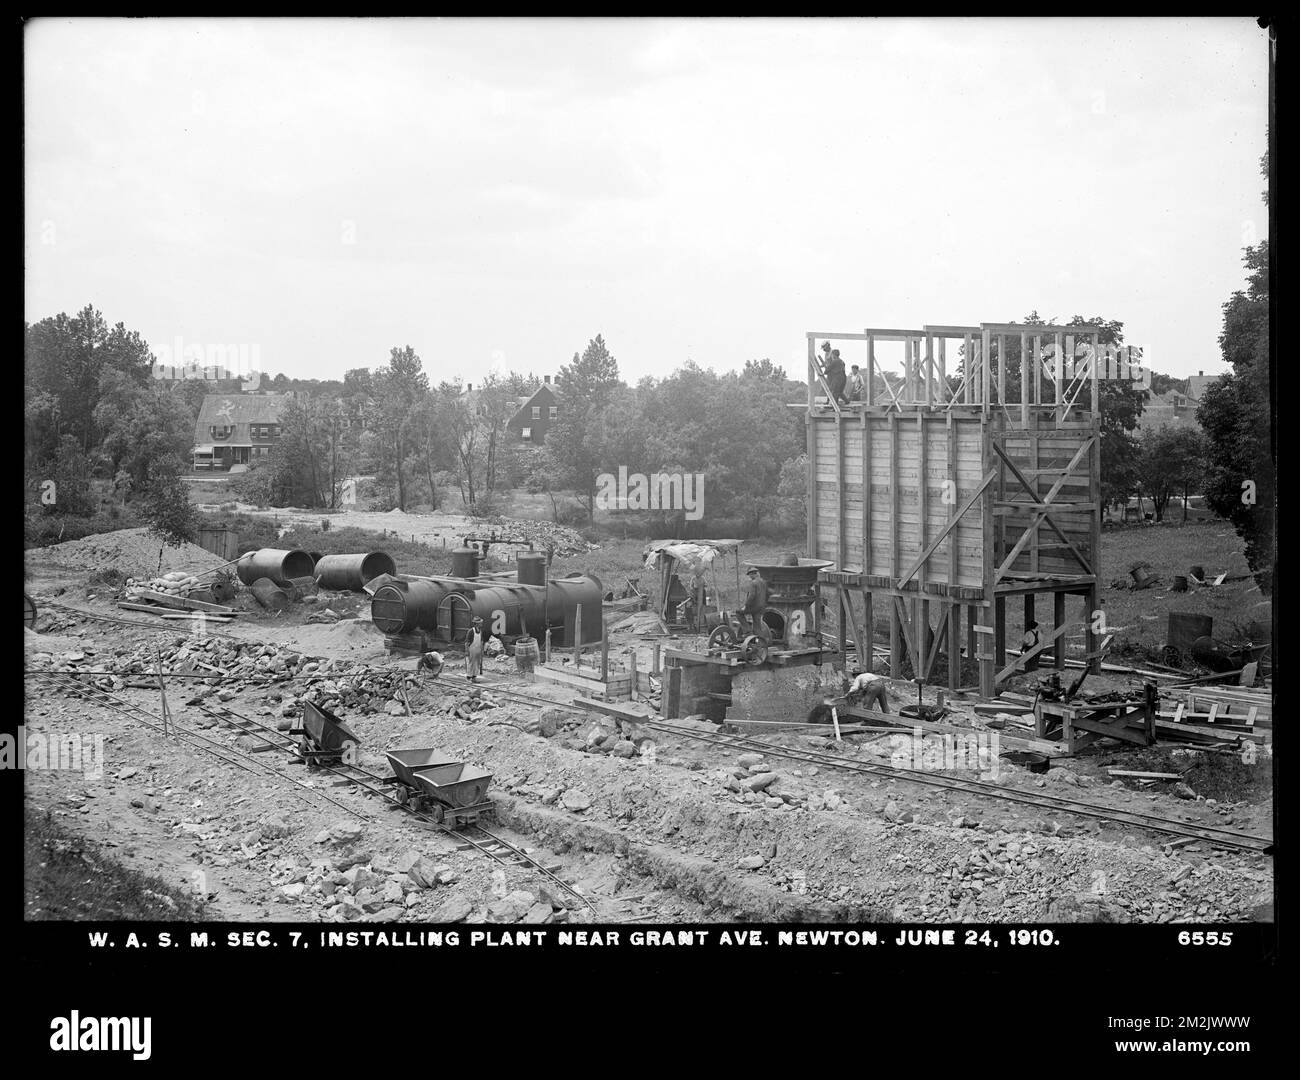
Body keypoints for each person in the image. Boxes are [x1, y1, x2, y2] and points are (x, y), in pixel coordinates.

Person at [739, 567, 769, 642]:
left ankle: (747, 631)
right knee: (757, 627)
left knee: (738, 613)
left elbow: (751, 596)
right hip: (761, 607)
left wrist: (746, 606)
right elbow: (768, 594)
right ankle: (762, 643)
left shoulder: (753, 583)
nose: (749, 577)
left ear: (753, 574)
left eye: (750, 575)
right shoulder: (763, 582)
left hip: (754, 608)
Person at [465, 617, 484, 681]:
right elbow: (467, 642)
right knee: (471, 663)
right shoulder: (471, 631)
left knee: (477, 663)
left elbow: (481, 641)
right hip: (472, 649)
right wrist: (467, 651)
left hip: (478, 649)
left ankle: (474, 676)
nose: (481, 624)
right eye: (480, 623)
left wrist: (482, 650)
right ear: (476, 624)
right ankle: (469, 677)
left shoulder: (480, 631)